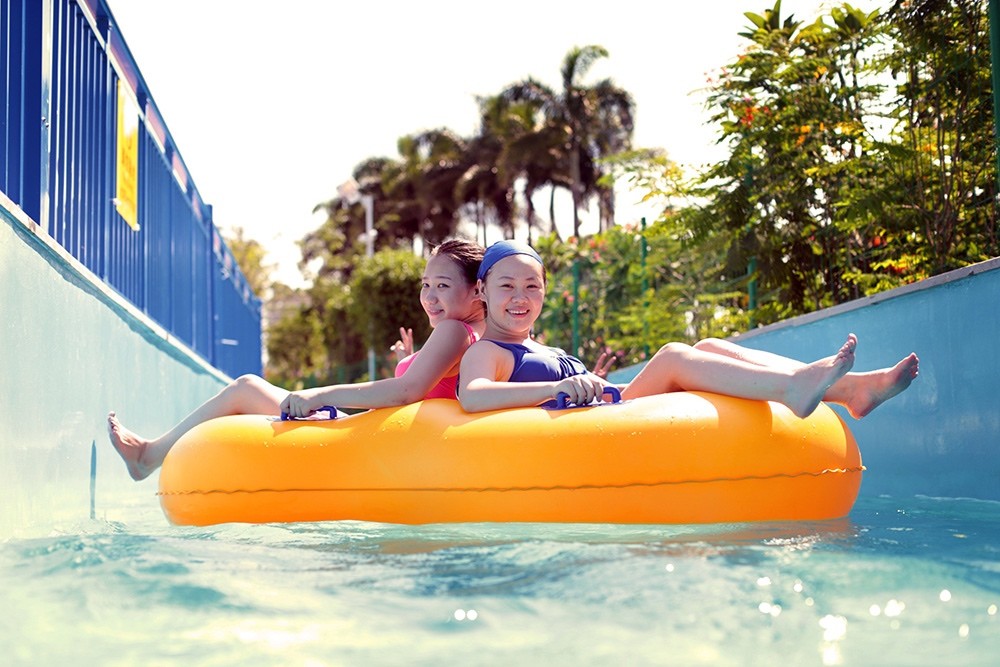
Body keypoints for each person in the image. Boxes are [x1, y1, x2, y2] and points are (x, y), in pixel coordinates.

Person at [108, 239, 486, 481]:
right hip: (375, 439)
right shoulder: (472, 333)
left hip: (362, 443)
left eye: (443, 285)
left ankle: (148, 457)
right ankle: (148, 456)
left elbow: (407, 391)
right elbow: (421, 389)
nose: (429, 297)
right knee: (247, 389)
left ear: (476, 291)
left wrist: (321, 394)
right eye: (426, 284)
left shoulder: (454, 330)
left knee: (245, 388)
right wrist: (409, 359)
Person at [457, 240, 919, 418]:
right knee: (675, 355)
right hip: (605, 419)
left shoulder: (544, 347)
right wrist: (557, 386)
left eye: (532, 287)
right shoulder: (489, 350)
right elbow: (473, 396)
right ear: (482, 291)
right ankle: (792, 389)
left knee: (710, 343)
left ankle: (850, 390)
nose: (520, 297)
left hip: (613, 403)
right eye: (506, 286)